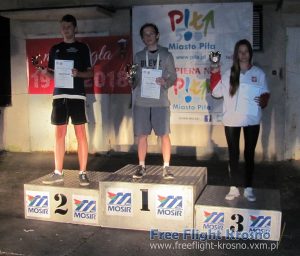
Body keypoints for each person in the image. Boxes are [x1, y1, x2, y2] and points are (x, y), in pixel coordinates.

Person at [210, 39, 270, 201]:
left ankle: (248, 188)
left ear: (250, 53)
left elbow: (265, 92)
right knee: (233, 154)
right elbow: (216, 92)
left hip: (252, 120)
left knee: (249, 154)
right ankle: (234, 187)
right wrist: (215, 71)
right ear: (236, 54)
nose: (243, 54)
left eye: (246, 51)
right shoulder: (229, 73)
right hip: (232, 120)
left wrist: (264, 99)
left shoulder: (259, 73)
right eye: (240, 51)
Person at [41, 14, 93, 186]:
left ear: (75, 28)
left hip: (77, 94)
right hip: (60, 95)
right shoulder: (55, 48)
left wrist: (78, 74)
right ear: (60, 28)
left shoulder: (83, 48)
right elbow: (52, 74)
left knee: (80, 134)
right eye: (63, 27)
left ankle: (83, 172)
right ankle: (58, 172)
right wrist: (44, 72)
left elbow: (90, 73)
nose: (66, 30)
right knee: (59, 134)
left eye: (69, 27)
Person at [131, 23, 177, 179]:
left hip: (160, 103)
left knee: (164, 134)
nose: (148, 36)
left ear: (157, 35)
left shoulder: (166, 55)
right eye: (145, 34)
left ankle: (166, 168)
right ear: (142, 38)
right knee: (142, 135)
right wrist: (130, 78)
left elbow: (173, 77)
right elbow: (135, 80)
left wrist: (165, 82)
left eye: (151, 33)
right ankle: (142, 166)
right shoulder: (138, 56)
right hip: (142, 102)